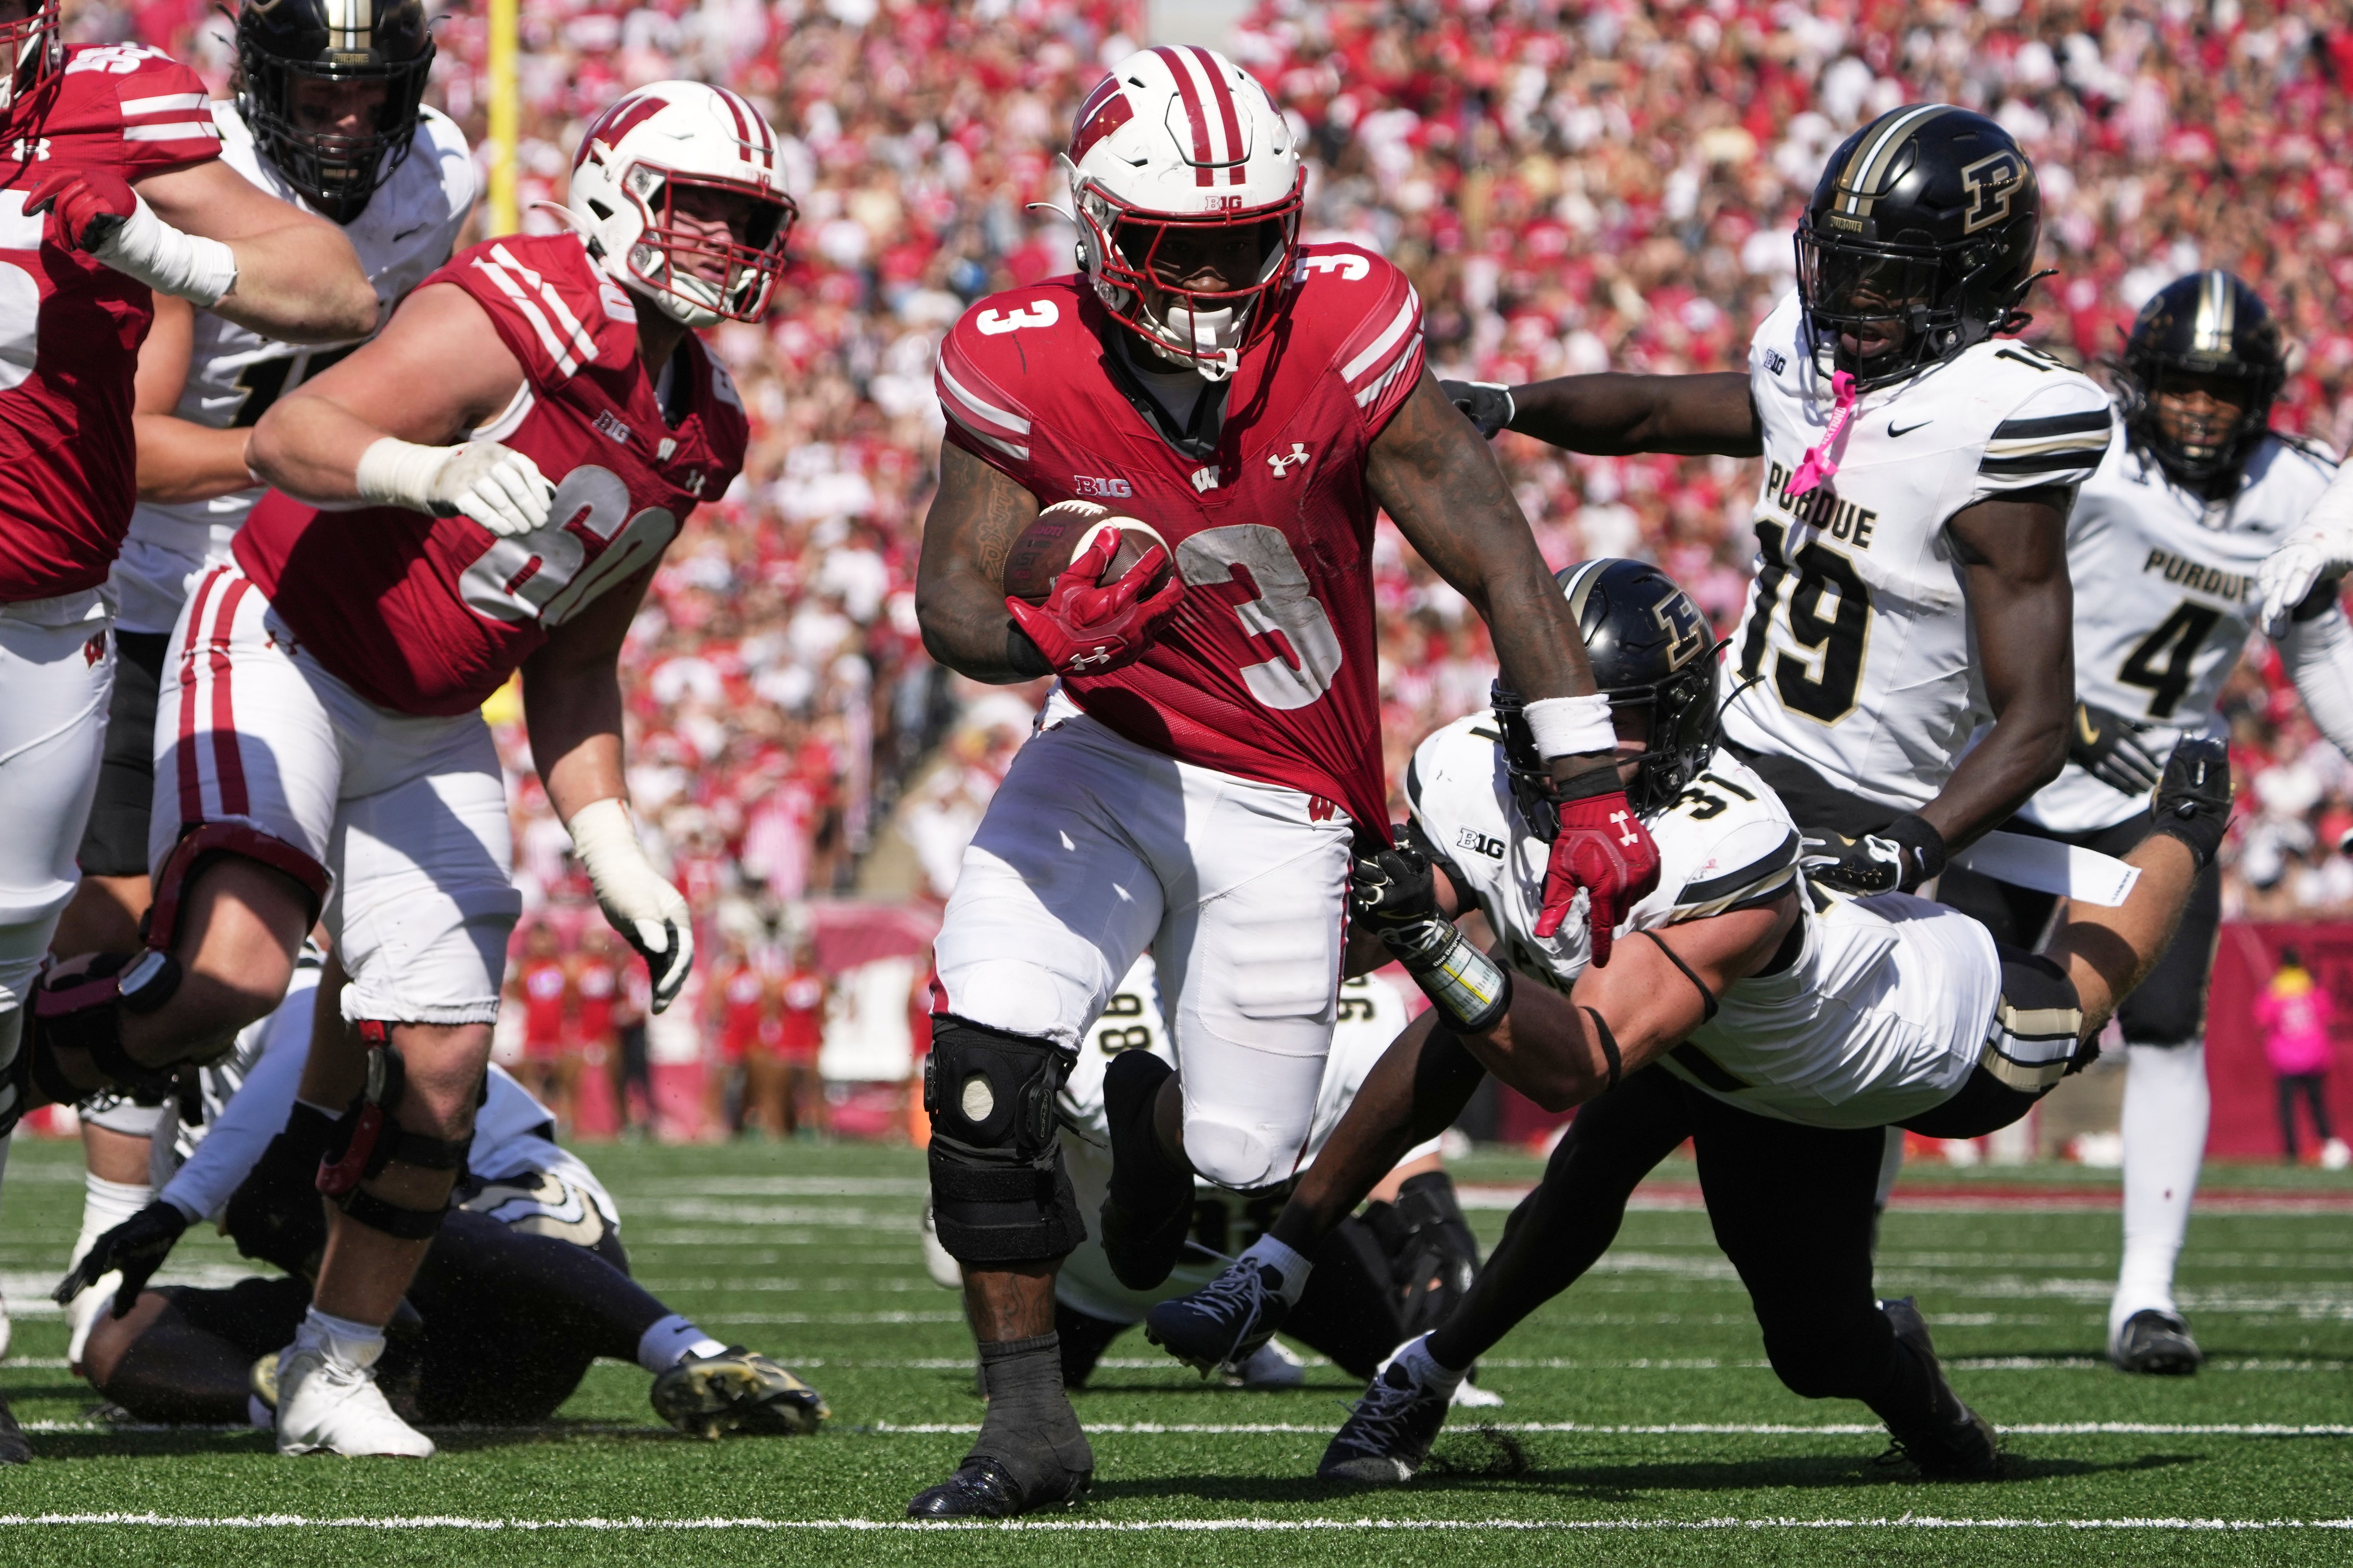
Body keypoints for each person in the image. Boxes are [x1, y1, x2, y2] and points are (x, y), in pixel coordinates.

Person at [907, 44, 1654, 1519]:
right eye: (1176, 246)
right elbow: (954, 605)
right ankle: (1030, 1428)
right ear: (1100, 225)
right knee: (983, 1057)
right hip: (1108, 756)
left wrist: (1589, 785)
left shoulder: (1345, 321)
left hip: (1288, 790)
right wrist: (1046, 627)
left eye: (1242, 243)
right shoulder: (1018, 350)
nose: (1207, 278)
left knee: (1241, 1159)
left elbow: (1500, 552)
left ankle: (1138, 1122)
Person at [19, 80, 795, 1460]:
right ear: (619, 194)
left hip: (433, 717)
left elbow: (572, 656)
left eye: (751, 218)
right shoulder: (528, 300)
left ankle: (333, 1366)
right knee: (231, 977)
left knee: (438, 1065)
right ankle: (23, 1050)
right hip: (286, 643)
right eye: (704, 209)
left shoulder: (701, 424)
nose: (730, 243)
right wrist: (421, 473)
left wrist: (617, 848)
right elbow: (288, 440)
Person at [1149, 559, 2228, 1484]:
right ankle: (1414, 1372)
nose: (1578, 742)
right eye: (1553, 703)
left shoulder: (1725, 843)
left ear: (1673, 722)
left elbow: (1572, 1062)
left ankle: (2181, 824)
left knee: (2069, 1009)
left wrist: (1434, 944)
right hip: (1688, 1032)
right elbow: (1445, 980)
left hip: (1881, 1037)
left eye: (1613, 717)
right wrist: (1385, 908)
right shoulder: (1469, 765)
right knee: (1567, 1182)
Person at [0, 1, 379, 1461]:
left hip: (43, 614)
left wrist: (157, 253)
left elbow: (328, 286)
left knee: (15, 964)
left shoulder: (110, 99)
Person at [1936, 272, 2352, 1375]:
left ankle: (2146, 1295)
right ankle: (1849, 1267)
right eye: (2180, 384)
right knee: (1930, 1012)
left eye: (2225, 389)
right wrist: (2052, 711)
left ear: (2260, 394)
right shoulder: (2084, 444)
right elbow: (1955, 567)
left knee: (2166, 1027)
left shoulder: (2293, 489)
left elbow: (2313, 648)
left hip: (2157, 793)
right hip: (2011, 767)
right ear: (2141, 379)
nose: (2203, 409)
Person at [57, 947, 825, 1437]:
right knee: (120, 1335)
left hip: (533, 1258)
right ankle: (283, 1394)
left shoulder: (291, 995)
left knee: (327, 1201)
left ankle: (692, 1350)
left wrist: (184, 1201)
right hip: (419, 1343)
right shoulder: (175, 1124)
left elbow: (289, 1105)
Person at [922, 956, 1490, 1395]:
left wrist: (1435, 1248)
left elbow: (1408, 1178)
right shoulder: (1093, 1023)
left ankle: (1243, 1338)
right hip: (1093, 1274)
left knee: (1416, 1366)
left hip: (1284, 1270)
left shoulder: (1363, 1012)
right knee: (1014, 1383)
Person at [2256, 947, 2345, 1168]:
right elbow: (2329, 1018)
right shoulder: (2312, 987)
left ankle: (2292, 1154)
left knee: (2287, 1108)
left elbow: (2262, 1020)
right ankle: (2329, 1147)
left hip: (2286, 1059)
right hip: (2314, 1056)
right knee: (2318, 1106)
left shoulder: (2275, 990)